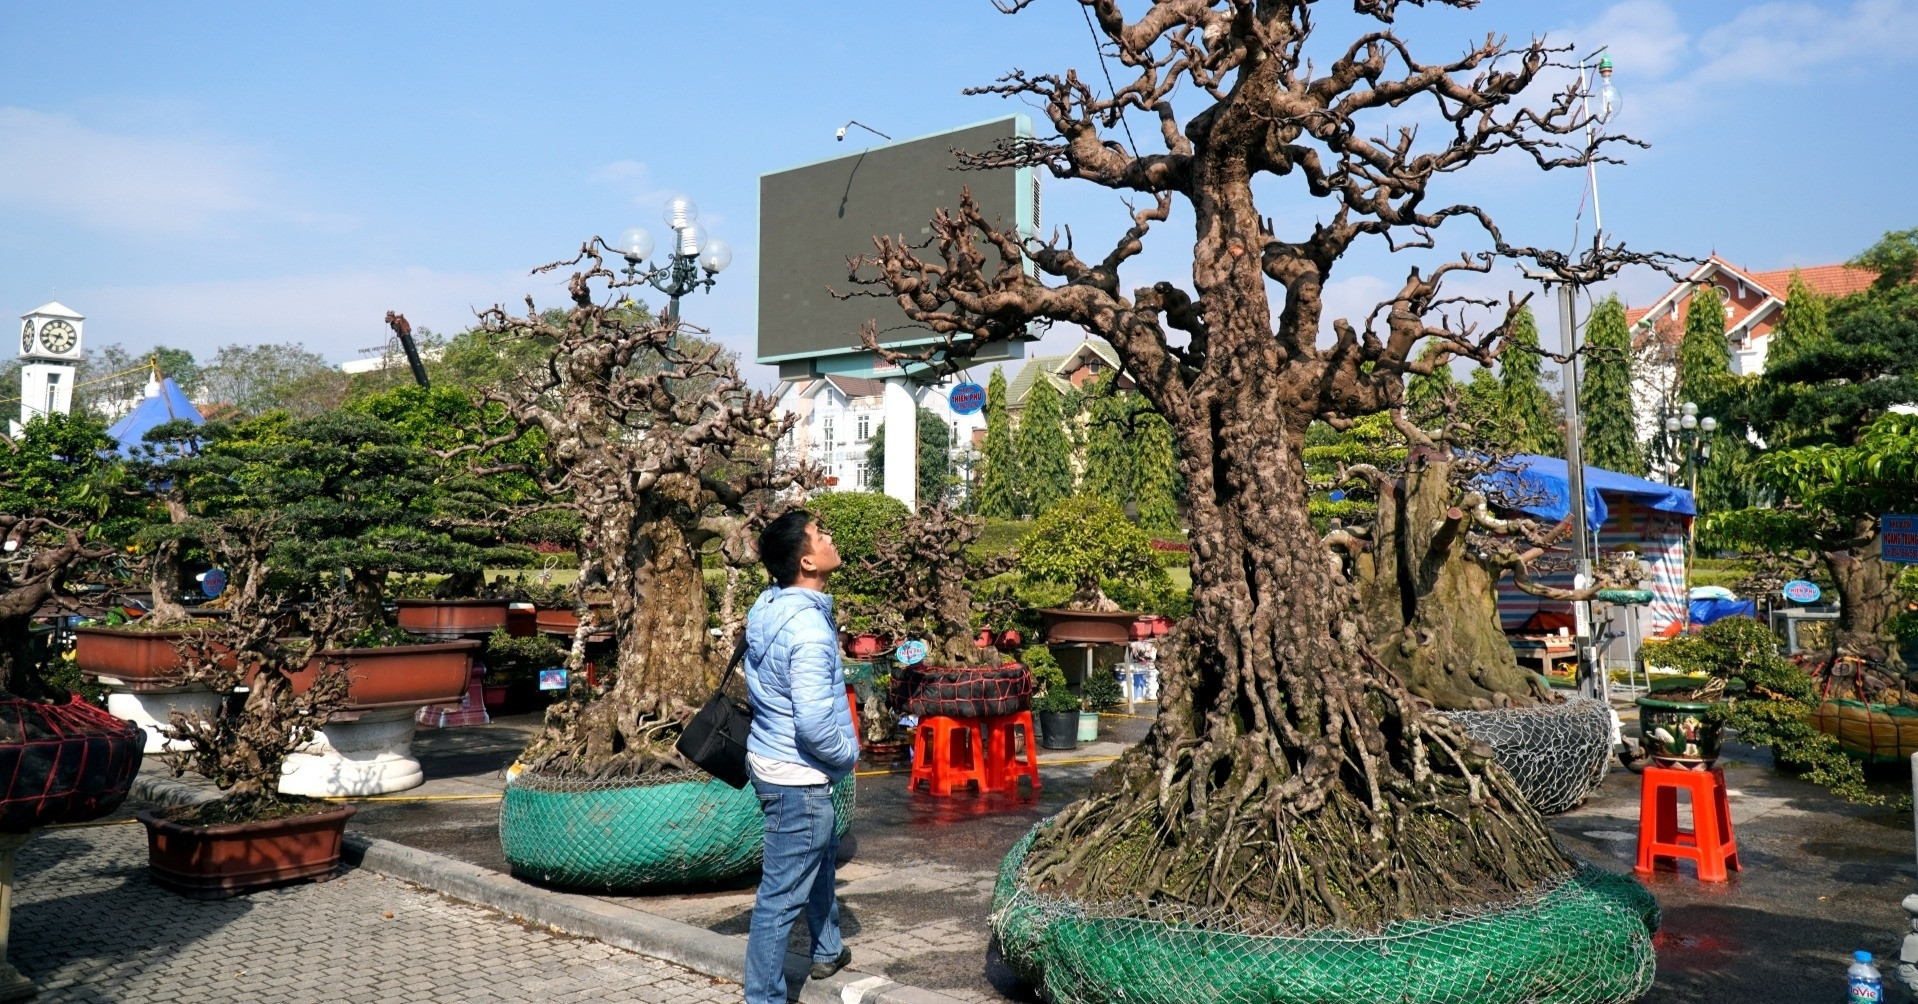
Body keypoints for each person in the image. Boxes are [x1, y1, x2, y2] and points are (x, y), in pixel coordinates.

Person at [741, 509, 859, 1003]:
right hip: (798, 778)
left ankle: (828, 947)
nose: (830, 537)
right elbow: (813, 723)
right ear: (807, 561)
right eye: (820, 534)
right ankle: (763, 996)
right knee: (779, 898)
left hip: (771, 760)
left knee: (821, 859)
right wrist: (847, 753)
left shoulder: (768, 606)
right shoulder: (809, 631)